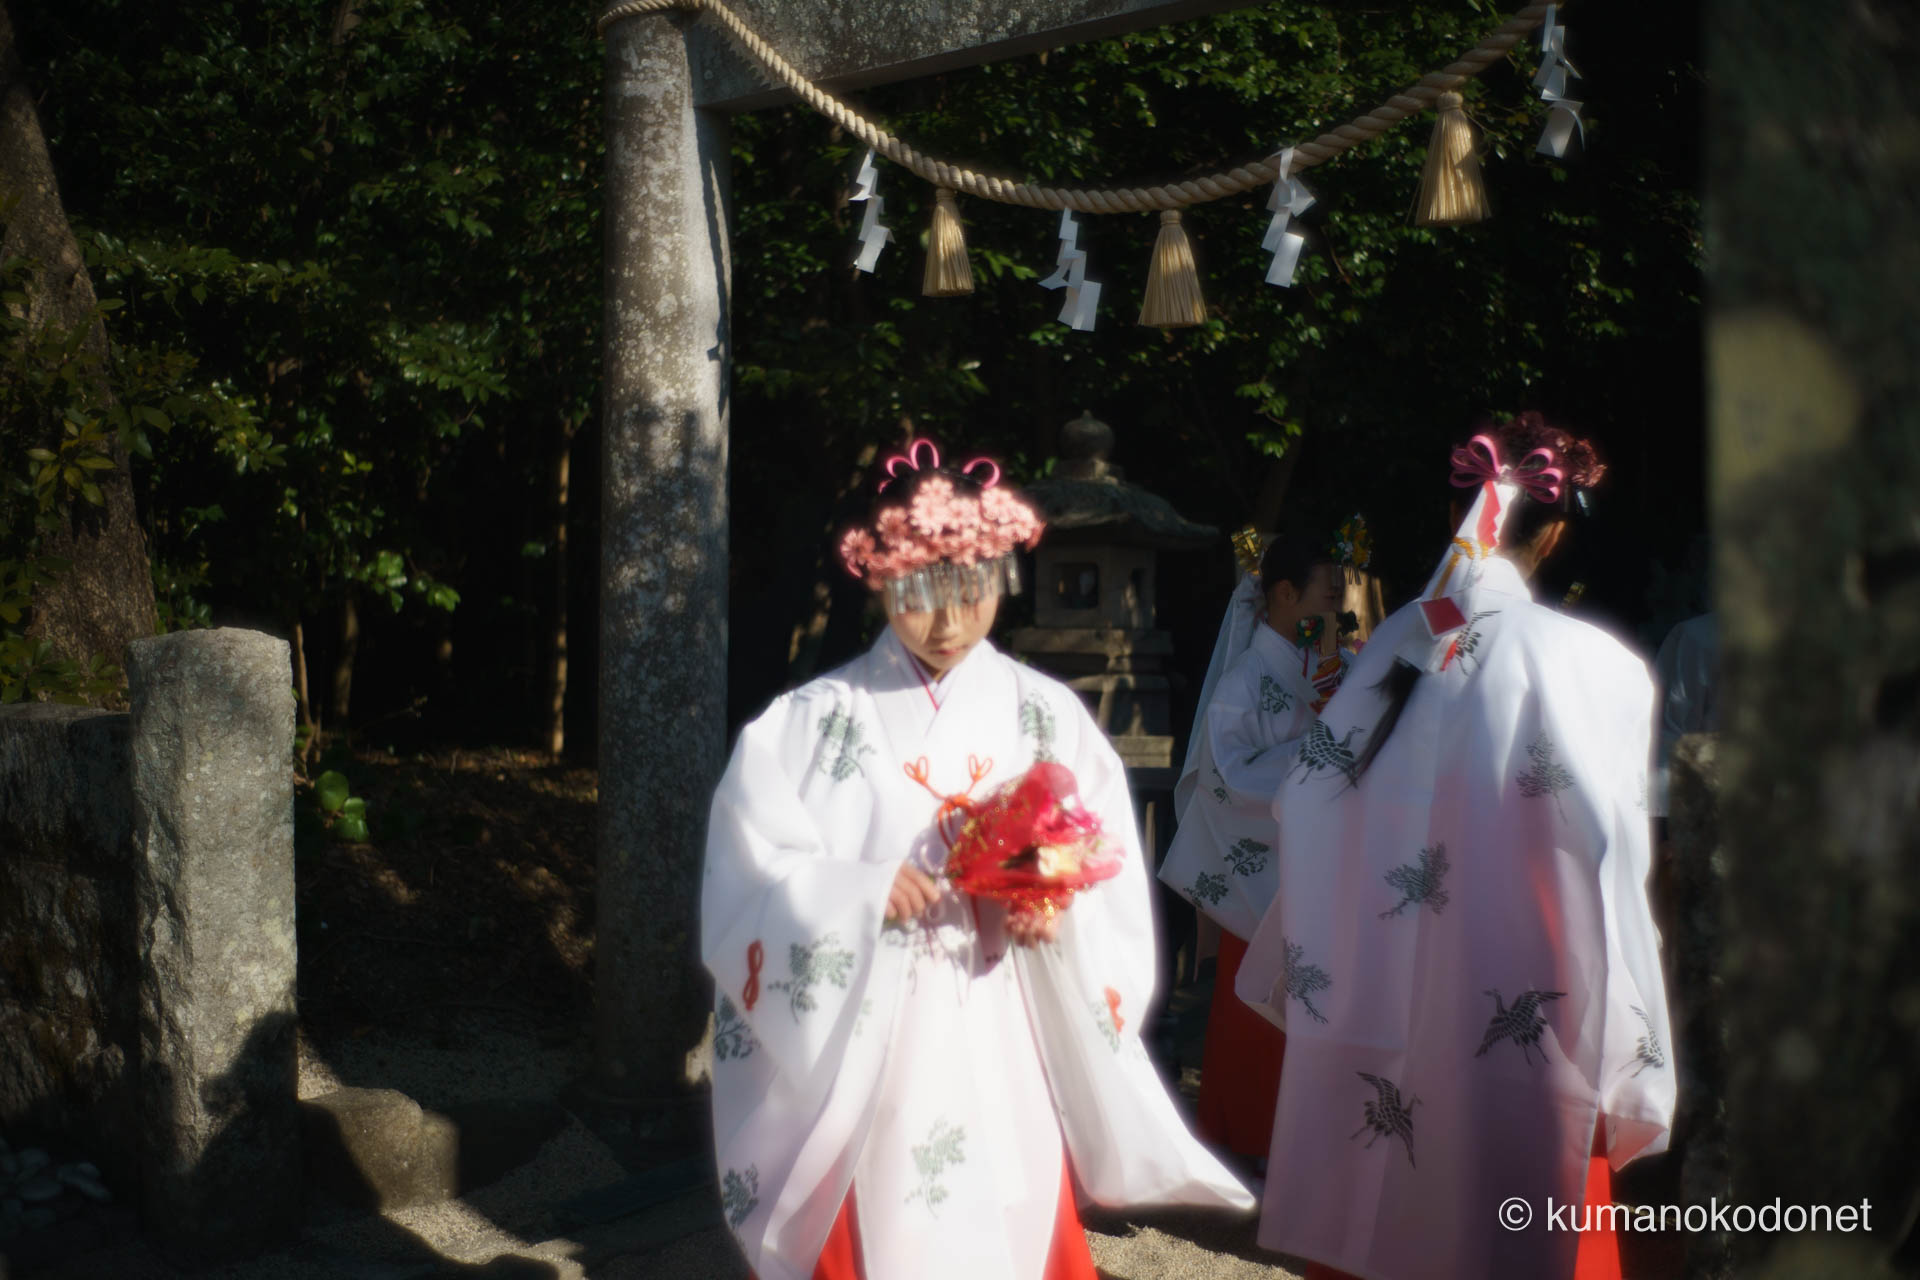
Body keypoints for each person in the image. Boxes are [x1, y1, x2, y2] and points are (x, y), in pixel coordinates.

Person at [703, 438, 1252, 1280]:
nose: (949, 622)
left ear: (1002, 578)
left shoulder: (1047, 716)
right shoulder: (809, 722)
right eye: (921, 595)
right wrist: (858, 893)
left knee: (1009, 1192)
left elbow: (1101, 876)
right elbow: (751, 875)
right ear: (880, 578)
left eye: (971, 591)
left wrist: (1053, 895)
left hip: (1006, 1014)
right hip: (871, 1035)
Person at [1236, 414, 1675, 1280]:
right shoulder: (1592, 663)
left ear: (1456, 517)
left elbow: (1307, 803)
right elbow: (1611, 856)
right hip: (1527, 988)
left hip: (1379, 982)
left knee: (1381, 1208)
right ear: (1554, 530)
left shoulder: (1395, 644)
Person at [1159, 531, 1345, 1161]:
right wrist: (1322, 758)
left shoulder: (1314, 667)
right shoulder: (1245, 678)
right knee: (1256, 999)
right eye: (1331, 592)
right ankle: (1246, 1136)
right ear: (1287, 595)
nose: (1340, 606)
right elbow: (1226, 779)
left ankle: (1289, 1144)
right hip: (1264, 873)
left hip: (1306, 861)